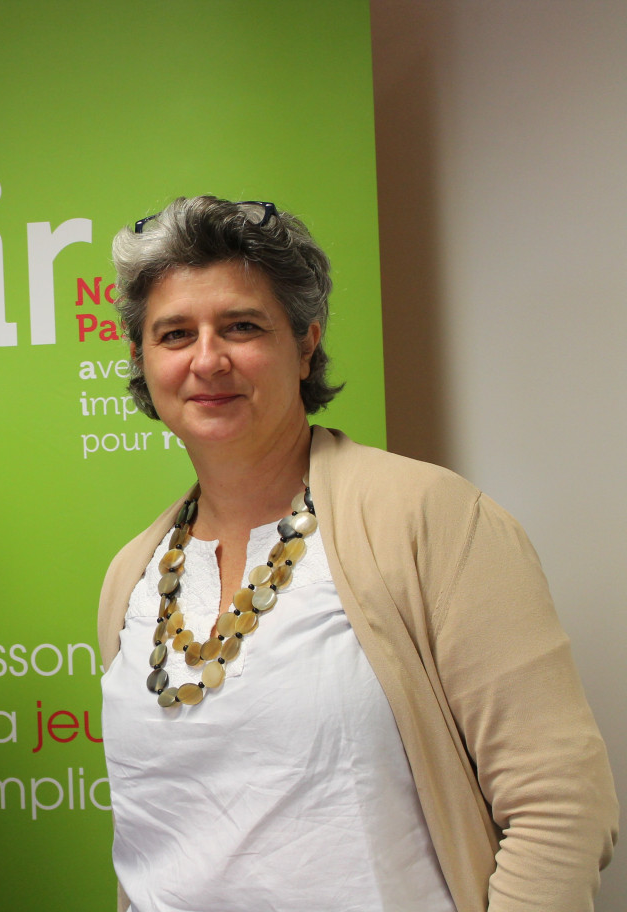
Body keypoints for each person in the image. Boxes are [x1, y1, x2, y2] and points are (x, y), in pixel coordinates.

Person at [97, 196, 616, 912]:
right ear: (142, 359)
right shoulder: (135, 575)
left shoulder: (429, 520)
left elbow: (560, 803)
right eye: (175, 333)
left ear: (306, 343)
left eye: (242, 326)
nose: (207, 358)